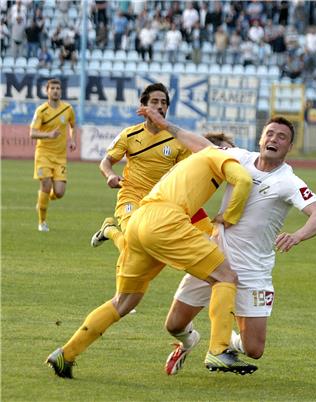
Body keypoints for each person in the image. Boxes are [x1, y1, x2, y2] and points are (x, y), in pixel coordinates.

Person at [45, 106, 257, 379]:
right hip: (165, 220)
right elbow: (243, 180)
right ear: (219, 148)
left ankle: (66, 354)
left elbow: (190, 139)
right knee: (226, 276)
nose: (235, 152)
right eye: (231, 148)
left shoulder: (192, 162)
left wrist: (164, 123)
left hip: (140, 221)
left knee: (123, 301)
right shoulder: (218, 156)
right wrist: (229, 217)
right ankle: (219, 349)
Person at [163, 122, 316, 376]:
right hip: (213, 258)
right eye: (270, 134)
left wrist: (297, 236)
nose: (274, 139)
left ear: (289, 146)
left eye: (282, 137)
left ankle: (226, 340)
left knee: (254, 349)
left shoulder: (289, 181)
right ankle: (189, 341)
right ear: (261, 139)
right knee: (174, 325)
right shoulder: (240, 158)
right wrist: (165, 124)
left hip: (253, 270)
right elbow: (204, 147)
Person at [90, 83, 214, 256]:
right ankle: (109, 229)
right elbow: (106, 162)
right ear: (144, 106)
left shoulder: (178, 139)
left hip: (162, 200)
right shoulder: (130, 135)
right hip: (132, 195)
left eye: (164, 102)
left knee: (213, 238)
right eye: (155, 101)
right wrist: (110, 175)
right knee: (132, 243)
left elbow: (184, 172)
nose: (160, 106)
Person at [29, 78, 78, 232]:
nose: (56, 90)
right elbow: (32, 133)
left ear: (60, 91)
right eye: (53, 88)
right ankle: (42, 222)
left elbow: (73, 125)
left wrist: (73, 140)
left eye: (58, 88)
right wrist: (49, 135)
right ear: (47, 91)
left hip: (60, 157)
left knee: (59, 192)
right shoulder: (41, 111)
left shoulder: (68, 109)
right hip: (43, 153)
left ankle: (43, 200)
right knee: (45, 184)